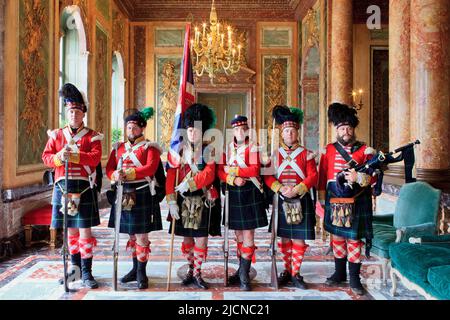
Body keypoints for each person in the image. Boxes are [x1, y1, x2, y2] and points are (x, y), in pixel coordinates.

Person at [42, 83, 103, 289]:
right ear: (66, 113)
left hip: (83, 188)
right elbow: (46, 158)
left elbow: (94, 159)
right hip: (62, 188)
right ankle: (74, 271)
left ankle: (87, 272)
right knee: (70, 233)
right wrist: (59, 157)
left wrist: (75, 156)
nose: (73, 115)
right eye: (70, 111)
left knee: (85, 232)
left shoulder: (92, 135)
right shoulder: (57, 136)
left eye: (77, 111)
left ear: (83, 113)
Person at [318, 102, 376, 296]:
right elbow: (322, 175)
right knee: (337, 238)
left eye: (348, 128)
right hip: (335, 199)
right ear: (337, 130)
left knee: (353, 239)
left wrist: (358, 177)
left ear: (353, 129)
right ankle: (339, 273)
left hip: (357, 199)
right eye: (342, 128)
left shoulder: (365, 151)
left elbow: (374, 176)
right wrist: (321, 198)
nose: (345, 131)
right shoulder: (329, 150)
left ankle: (354, 278)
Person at [106, 107, 163, 289]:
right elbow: (109, 169)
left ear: (142, 129)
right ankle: (134, 268)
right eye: (129, 128)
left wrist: (128, 173)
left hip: (142, 193)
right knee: (131, 235)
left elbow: (150, 169)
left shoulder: (150, 147)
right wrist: (114, 175)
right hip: (123, 194)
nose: (131, 131)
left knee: (141, 236)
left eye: (135, 128)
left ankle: (141, 273)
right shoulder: (118, 148)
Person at [166, 103, 221, 290]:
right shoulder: (178, 150)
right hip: (181, 199)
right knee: (187, 239)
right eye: (189, 130)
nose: (192, 134)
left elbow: (209, 174)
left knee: (201, 239)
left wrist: (189, 183)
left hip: (202, 197)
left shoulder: (209, 150)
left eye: (196, 130)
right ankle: (191, 268)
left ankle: (197, 272)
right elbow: (170, 177)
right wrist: (171, 201)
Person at [264, 105, 318, 289]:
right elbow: (268, 176)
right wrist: (279, 188)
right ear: (282, 134)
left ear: (297, 133)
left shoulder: (306, 154)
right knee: (284, 239)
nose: (290, 134)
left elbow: (313, 176)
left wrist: (298, 188)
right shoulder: (274, 154)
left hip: (300, 199)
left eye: (293, 131)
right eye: (286, 131)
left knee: (298, 240)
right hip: (281, 199)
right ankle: (286, 271)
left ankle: (296, 273)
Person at [217, 115, 268, 291]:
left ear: (247, 130)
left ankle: (244, 275)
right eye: (236, 129)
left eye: (242, 129)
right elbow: (220, 172)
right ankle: (241, 270)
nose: (239, 132)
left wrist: (232, 170)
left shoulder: (253, 147)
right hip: (233, 192)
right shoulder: (228, 148)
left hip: (249, 193)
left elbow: (254, 169)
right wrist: (232, 179)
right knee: (238, 235)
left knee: (248, 235)